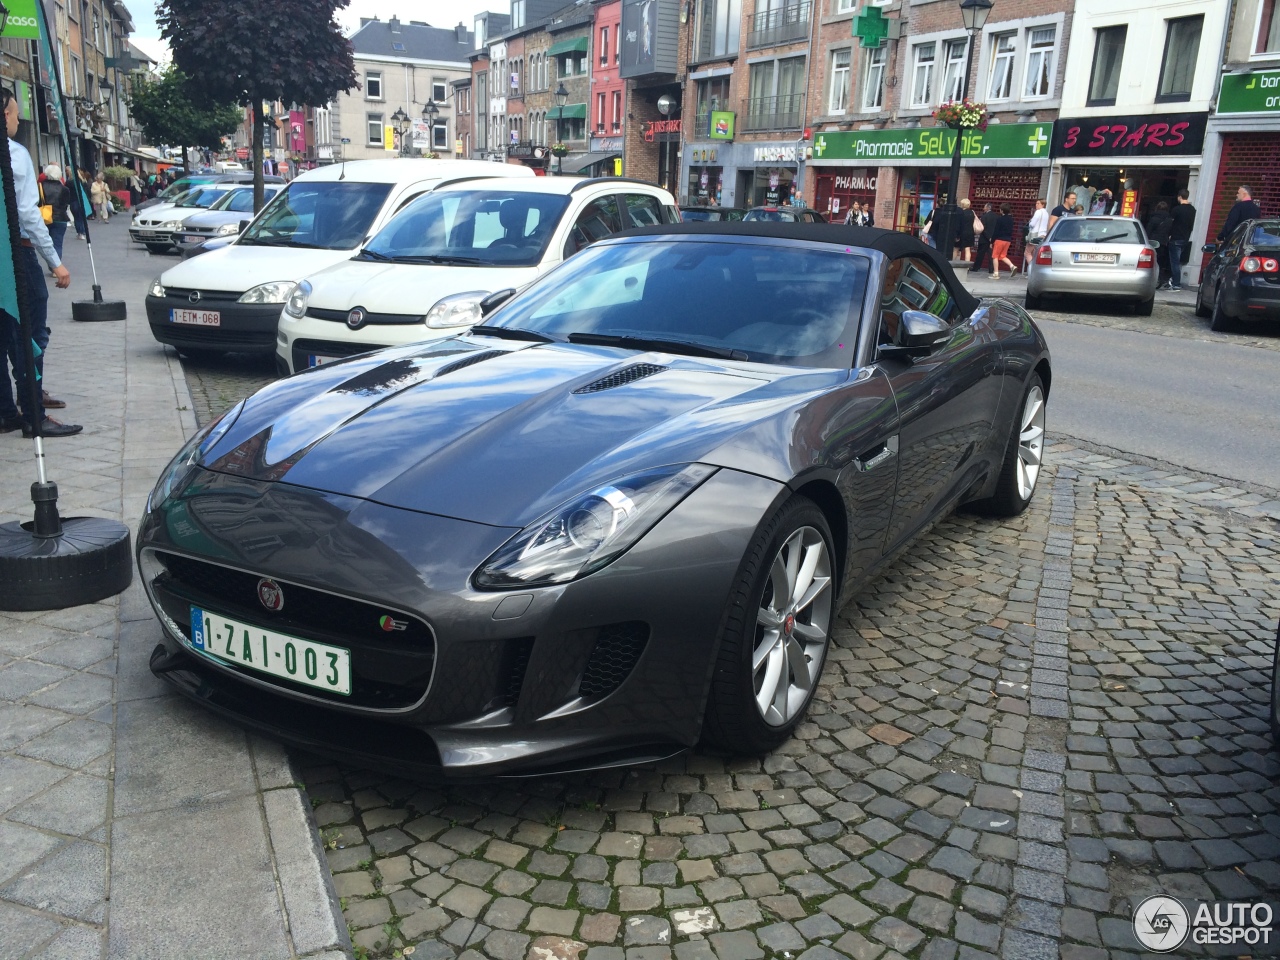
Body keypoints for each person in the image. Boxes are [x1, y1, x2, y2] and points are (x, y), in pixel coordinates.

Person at [1, 87, 81, 437]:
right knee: (30, 330)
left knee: (4, 333)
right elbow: (26, 214)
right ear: (5, 114)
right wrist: (54, 260)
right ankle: (34, 413)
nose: (18, 120)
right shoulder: (14, 155)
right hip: (15, 253)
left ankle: (6, 411)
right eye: (16, 114)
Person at [40, 164, 71, 262]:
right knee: (57, 244)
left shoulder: (40, 187)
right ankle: (55, 266)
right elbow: (66, 204)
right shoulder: (65, 189)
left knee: (46, 244)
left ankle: (51, 263)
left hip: (44, 218)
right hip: (61, 218)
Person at [1167, 189, 1196, 292]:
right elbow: (1191, 226)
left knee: (1174, 262)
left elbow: (1170, 223)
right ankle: (1174, 281)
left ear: (1179, 197)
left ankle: (1176, 284)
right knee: (1178, 262)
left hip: (1175, 238)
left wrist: (1169, 234)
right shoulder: (1193, 210)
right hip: (1185, 238)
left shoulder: (1177, 209)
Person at [1146, 201, 1173, 288]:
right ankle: (1160, 278)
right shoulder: (1169, 220)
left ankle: (1152, 278)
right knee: (1160, 262)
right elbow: (1170, 232)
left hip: (1153, 242)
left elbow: (1148, 231)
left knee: (1151, 261)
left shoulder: (1153, 218)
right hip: (1163, 243)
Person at [990, 202, 1017, 279]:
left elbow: (996, 231)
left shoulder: (999, 219)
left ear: (1001, 210)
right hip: (1008, 240)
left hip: (999, 240)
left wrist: (992, 241)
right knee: (1002, 256)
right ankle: (1012, 266)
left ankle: (996, 273)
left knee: (995, 256)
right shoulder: (1011, 220)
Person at [969, 203, 997, 274]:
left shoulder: (984, 216)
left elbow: (983, 228)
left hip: (984, 239)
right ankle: (991, 269)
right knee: (991, 255)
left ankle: (976, 267)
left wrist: (988, 237)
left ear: (988, 208)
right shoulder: (996, 216)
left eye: (984, 207)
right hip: (993, 238)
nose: (983, 208)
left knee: (980, 254)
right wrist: (991, 237)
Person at [1024, 198, 1049, 271]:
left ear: (1043, 205)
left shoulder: (1038, 212)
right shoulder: (1046, 213)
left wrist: (1030, 222)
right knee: (1035, 254)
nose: (1036, 205)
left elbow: (1032, 224)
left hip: (1035, 235)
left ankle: (1032, 270)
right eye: (1036, 203)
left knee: (1027, 253)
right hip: (1043, 235)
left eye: (1038, 203)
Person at [955, 197, 975, 262]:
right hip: (970, 232)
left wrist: (957, 235)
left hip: (962, 232)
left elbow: (958, 224)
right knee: (967, 249)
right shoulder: (972, 213)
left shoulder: (961, 213)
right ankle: (967, 266)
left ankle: (953, 263)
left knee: (956, 248)